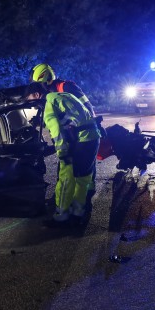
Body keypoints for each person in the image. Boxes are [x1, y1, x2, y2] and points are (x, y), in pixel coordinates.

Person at [25, 83, 100, 224]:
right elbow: (70, 116)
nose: (33, 106)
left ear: (36, 95)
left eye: (31, 101)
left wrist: (62, 152)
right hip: (93, 137)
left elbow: (57, 132)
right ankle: (78, 213)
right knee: (83, 179)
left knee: (66, 178)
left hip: (81, 141)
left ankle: (61, 216)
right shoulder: (63, 95)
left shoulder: (48, 104)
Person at [29, 63, 95, 117]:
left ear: (48, 80)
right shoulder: (50, 94)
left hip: (84, 128)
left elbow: (87, 107)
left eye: (39, 84)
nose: (38, 88)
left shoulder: (67, 87)